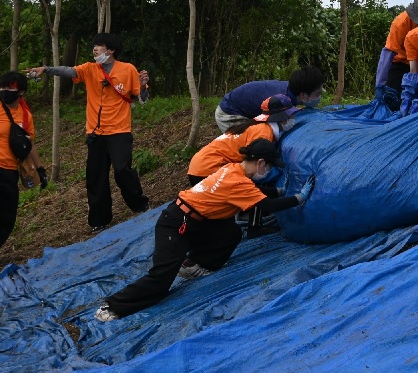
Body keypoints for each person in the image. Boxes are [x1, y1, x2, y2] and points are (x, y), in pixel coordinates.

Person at [94, 138, 316, 321]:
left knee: (231, 232)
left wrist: (279, 191)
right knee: (161, 278)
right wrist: (298, 198)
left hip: (196, 219)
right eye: (268, 166)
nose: (268, 170)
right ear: (260, 162)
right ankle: (113, 306)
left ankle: (194, 264)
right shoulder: (237, 181)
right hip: (177, 223)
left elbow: (255, 193)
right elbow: (264, 205)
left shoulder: (233, 169)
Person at [27, 33, 150, 232]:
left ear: (110, 50)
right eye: (94, 46)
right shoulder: (90, 69)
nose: (95, 49)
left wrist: (144, 86)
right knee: (96, 177)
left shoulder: (128, 69)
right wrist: (46, 69)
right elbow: (68, 71)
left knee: (122, 170)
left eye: (99, 46)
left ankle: (140, 205)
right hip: (95, 133)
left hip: (120, 131)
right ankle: (99, 220)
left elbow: (142, 99)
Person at [188, 94, 298, 186]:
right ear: (280, 117)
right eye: (290, 116)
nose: (292, 119)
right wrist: (279, 173)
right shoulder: (263, 132)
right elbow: (256, 166)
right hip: (209, 168)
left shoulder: (256, 126)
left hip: (199, 165)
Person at [0, 72, 48, 248]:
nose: (4, 91)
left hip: (10, 171)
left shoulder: (25, 116)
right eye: (2, 87)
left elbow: (30, 144)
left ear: (21, 92)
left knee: (7, 216)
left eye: (9, 88)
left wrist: (40, 169)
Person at [215, 66, 323, 133]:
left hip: (240, 107)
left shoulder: (291, 89)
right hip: (228, 113)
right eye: (317, 94)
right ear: (304, 95)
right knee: (252, 146)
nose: (319, 97)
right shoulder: (279, 101)